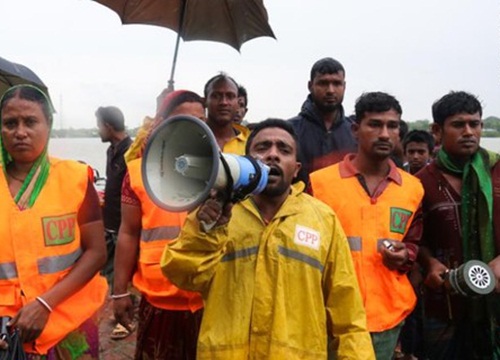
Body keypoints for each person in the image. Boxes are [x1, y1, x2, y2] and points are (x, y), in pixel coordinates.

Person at [161, 119, 375, 359]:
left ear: (295, 168)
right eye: (262, 148)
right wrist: (205, 232)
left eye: (284, 150)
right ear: (247, 160)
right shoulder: (217, 213)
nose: (272, 155)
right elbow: (182, 274)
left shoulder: (323, 219)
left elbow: (348, 313)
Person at [310, 92, 423, 359]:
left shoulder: (413, 188)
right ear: (355, 129)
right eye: (374, 124)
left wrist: (405, 254)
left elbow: (415, 244)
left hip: (386, 317)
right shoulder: (320, 183)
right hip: (328, 317)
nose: (384, 134)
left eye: (392, 126)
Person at [0, 84, 108, 358]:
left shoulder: (75, 178)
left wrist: (45, 304)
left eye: (30, 121)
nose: (20, 132)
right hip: (7, 331)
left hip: (68, 325)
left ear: (48, 124)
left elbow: (96, 252)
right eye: (10, 123)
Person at [113, 90, 206, 359]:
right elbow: (128, 233)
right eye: (183, 120)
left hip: (209, 297)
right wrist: (118, 293)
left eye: (200, 120)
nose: (193, 127)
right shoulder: (137, 173)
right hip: (158, 299)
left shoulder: (220, 169)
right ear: (163, 122)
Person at [415, 91, 500, 359]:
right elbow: (413, 238)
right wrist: (429, 263)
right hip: (445, 305)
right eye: (458, 125)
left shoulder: (497, 170)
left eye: (474, 124)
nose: (469, 132)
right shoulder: (418, 183)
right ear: (437, 131)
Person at [289, 57, 357, 187]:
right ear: (310, 86)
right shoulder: (290, 131)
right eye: (323, 83)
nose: (330, 90)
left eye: (337, 84)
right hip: (301, 205)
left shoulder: (355, 133)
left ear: (344, 86)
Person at [95, 105, 132, 288]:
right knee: (104, 270)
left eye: (99, 125)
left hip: (123, 227)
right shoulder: (111, 150)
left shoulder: (131, 152)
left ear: (108, 127)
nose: (98, 130)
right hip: (108, 224)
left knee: (121, 274)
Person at [204, 73, 250, 154]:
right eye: (216, 96)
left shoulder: (250, 144)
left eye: (230, 96)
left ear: (238, 103)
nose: (224, 102)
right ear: (205, 101)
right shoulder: (189, 137)